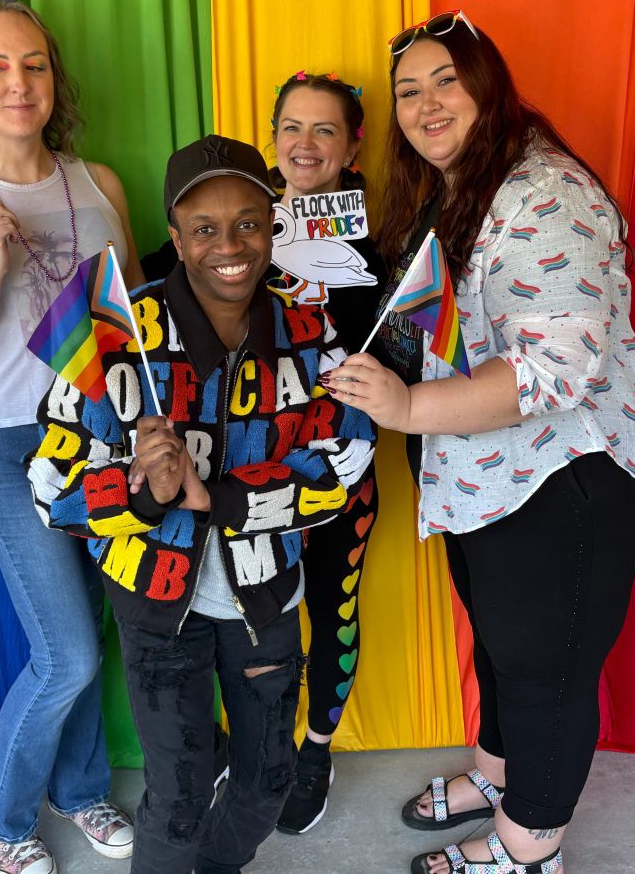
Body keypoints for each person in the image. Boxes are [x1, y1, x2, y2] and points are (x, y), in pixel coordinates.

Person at [324, 10, 635, 874]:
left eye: (446, 80)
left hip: (568, 472)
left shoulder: (543, 193)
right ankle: (503, 776)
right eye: (408, 91)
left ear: (487, 86)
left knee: (546, 667)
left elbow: (559, 371)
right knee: (505, 642)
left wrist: (402, 408)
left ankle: (530, 844)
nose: (428, 103)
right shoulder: (452, 186)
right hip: (483, 470)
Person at [26, 134, 376, 874]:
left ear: (273, 226)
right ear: (177, 238)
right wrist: (140, 494)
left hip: (267, 600)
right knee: (179, 798)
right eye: (206, 229)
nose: (230, 246)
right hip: (156, 606)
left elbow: (343, 472)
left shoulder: (314, 340)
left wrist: (213, 496)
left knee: (265, 786)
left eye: (248, 222)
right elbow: (50, 490)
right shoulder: (114, 339)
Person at [0, 0, 143, 874]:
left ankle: (79, 791)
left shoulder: (101, 184)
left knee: (96, 626)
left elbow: (136, 320)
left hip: (106, 440)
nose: (19, 82)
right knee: (67, 652)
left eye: (34, 64)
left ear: (55, 79)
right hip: (10, 448)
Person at [266, 72, 385, 835]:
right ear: (271, 135)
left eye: (324, 131)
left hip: (344, 464)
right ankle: (265, 746)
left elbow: (411, 338)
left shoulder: (385, 232)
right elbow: (166, 276)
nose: (304, 145)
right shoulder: (240, 215)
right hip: (255, 460)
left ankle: (316, 751)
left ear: (353, 144)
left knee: (332, 610)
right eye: (291, 128)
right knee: (257, 616)